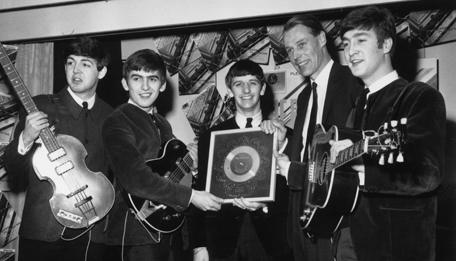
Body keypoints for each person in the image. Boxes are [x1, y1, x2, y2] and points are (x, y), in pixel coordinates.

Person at [329, 6, 446, 261]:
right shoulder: (358, 104)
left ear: (386, 45)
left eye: (361, 40)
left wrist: (362, 173)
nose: (350, 51)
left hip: (395, 248)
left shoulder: (420, 97)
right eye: (346, 44)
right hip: (349, 244)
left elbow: (427, 175)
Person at [101, 49, 223, 261]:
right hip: (135, 235)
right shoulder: (117, 121)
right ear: (124, 83)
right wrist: (192, 197)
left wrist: (190, 165)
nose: (146, 87)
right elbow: (136, 179)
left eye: (153, 79)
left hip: (169, 229)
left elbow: (170, 172)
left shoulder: (162, 123)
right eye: (137, 79)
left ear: (163, 85)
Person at [260, 14, 362, 260]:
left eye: (302, 44)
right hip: (302, 221)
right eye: (289, 50)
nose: (295, 56)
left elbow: (355, 152)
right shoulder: (306, 95)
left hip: (335, 222)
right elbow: (308, 150)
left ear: (322, 38)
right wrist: (286, 141)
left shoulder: (354, 82)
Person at [4, 37, 114, 261]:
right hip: (42, 232)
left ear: (101, 72)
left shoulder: (111, 116)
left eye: (85, 64)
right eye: (70, 62)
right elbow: (13, 169)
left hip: (92, 234)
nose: (75, 70)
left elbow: (120, 174)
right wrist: (25, 138)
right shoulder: (39, 105)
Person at [188, 59, 293, 261]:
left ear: (262, 89)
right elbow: (199, 190)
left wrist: (280, 146)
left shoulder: (285, 135)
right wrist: (198, 245)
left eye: (253, 83)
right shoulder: (211, 137)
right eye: (238, 84)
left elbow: (295, 192)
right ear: (230, 90)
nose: (246, 90)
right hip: (223, 241)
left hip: (271, 241)